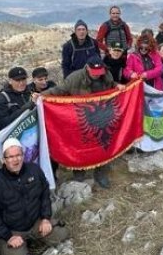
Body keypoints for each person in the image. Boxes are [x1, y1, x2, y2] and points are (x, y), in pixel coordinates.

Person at [0, 140, 70, 255]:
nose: (15, 160)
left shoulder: (34, 170)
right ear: (4, 160)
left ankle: (33, 237)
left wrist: (45, 218)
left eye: (18, 155)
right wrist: (8, 236)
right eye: (10, 157)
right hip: (12, 230)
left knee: (62, 234)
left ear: (23, 155)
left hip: (35, 222)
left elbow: (44, 193)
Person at [43, 55, 124, 188]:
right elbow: (59, 90)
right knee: (80, 145)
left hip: (102, 116)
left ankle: (101, 173)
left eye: (99, 73)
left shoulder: (106, 74)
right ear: (87, 68)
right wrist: (42, 95)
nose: (97, 75)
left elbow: (111, 84)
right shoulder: (74, 78)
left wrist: (117, 85)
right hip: (81, 118)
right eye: (94, 73)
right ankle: (79, 173)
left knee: (104, 144)